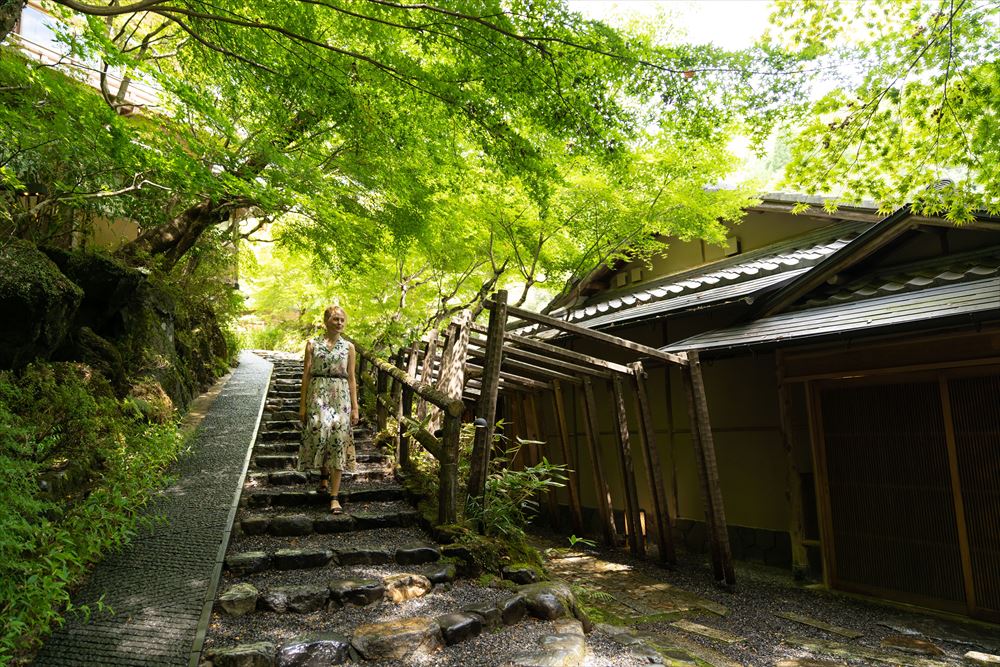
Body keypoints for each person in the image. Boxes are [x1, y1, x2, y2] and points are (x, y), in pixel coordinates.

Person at [298, 305, 359, 513]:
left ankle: (334, 496)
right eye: (335, 319)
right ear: (326, 321)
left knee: (338, 439)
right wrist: (303, 406)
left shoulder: (349, 347)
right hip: (317, 395)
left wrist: (355, 408)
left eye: (342, 319)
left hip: (341, 397)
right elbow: (306, 375)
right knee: (320, 435)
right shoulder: (312, 345)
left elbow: (352, 378)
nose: (340, 323)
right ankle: (323, 475)